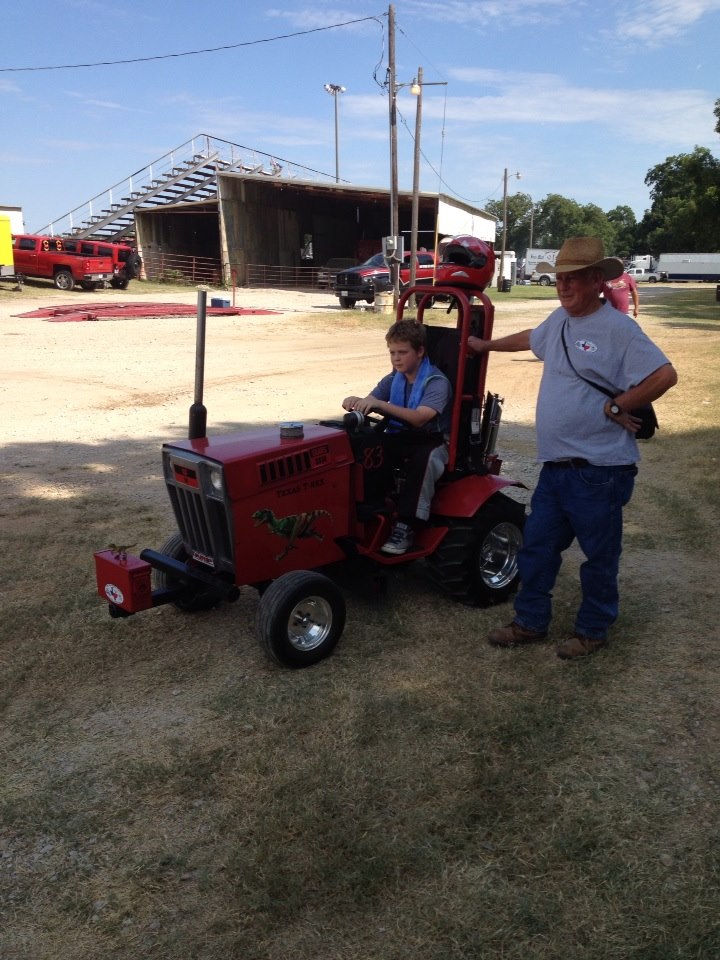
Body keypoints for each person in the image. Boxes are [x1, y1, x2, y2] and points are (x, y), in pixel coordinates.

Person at [467, 237, 677, 658]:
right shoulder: (559, 321)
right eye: (559, 279)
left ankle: (592, 630)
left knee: (598, 558)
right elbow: (533, 337)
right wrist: (487, 346)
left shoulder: (619, 329)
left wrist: (619, 404)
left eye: (573, 279)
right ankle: (529, 623)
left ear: (597, 281)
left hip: (599, 470)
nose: (562, 287)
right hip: (556, 468)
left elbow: (664, 375)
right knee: (538, 548)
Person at [342, 319, 452, 555]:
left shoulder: (437, 383)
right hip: (400, 435)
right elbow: (371, 401)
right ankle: (370, 508)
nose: (396, 358)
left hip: (431, 439)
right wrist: (355, 401)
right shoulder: (393, 379)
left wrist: (380, 405)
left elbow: (420, 418)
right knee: (367, 446)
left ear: (420, 351)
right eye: (392, 352)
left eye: (403, 352)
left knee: (425, 461)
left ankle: (407, 525)